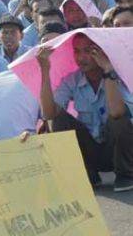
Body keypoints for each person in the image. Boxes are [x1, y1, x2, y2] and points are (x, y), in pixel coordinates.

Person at [37, 34, 133, 191]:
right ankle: (86, 172)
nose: (81, 57)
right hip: (91, 148)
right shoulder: (72, 80)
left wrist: (108, 70)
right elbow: (48, 114)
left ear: (101, 51)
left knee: (120, 120)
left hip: (116, 149)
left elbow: (116, 113)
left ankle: (126, 174)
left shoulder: (117, 74)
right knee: (57, 119)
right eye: (76, 51)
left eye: (88, 51)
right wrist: (45, 70)